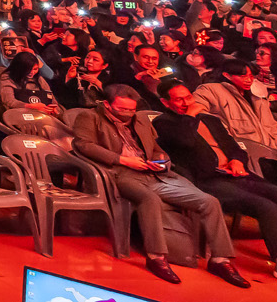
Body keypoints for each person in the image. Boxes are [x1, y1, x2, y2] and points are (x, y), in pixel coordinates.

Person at [153, 81, 277, 293]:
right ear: (165, 102)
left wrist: (237, 161)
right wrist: (190, 116)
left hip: (236, 174)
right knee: (265, 206)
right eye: (179, 100)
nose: (186, 103)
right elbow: (185, 141)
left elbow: (235, 148)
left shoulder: (211, 120)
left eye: (188, 97)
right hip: (207, 180)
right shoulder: (164, 122)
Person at [72, 85, 246, 287]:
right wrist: (123, 160)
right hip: (121, 174)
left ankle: (220, 260)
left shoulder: (140, 120)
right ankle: (156, 257)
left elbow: (156, 148)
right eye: (122, 109)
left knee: (209, 201)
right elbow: (84, 145)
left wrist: (160, 162)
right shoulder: (89, 117)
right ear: (107, 105)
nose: (128, 113)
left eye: (131, 109)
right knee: (149, 199)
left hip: (154, 174)